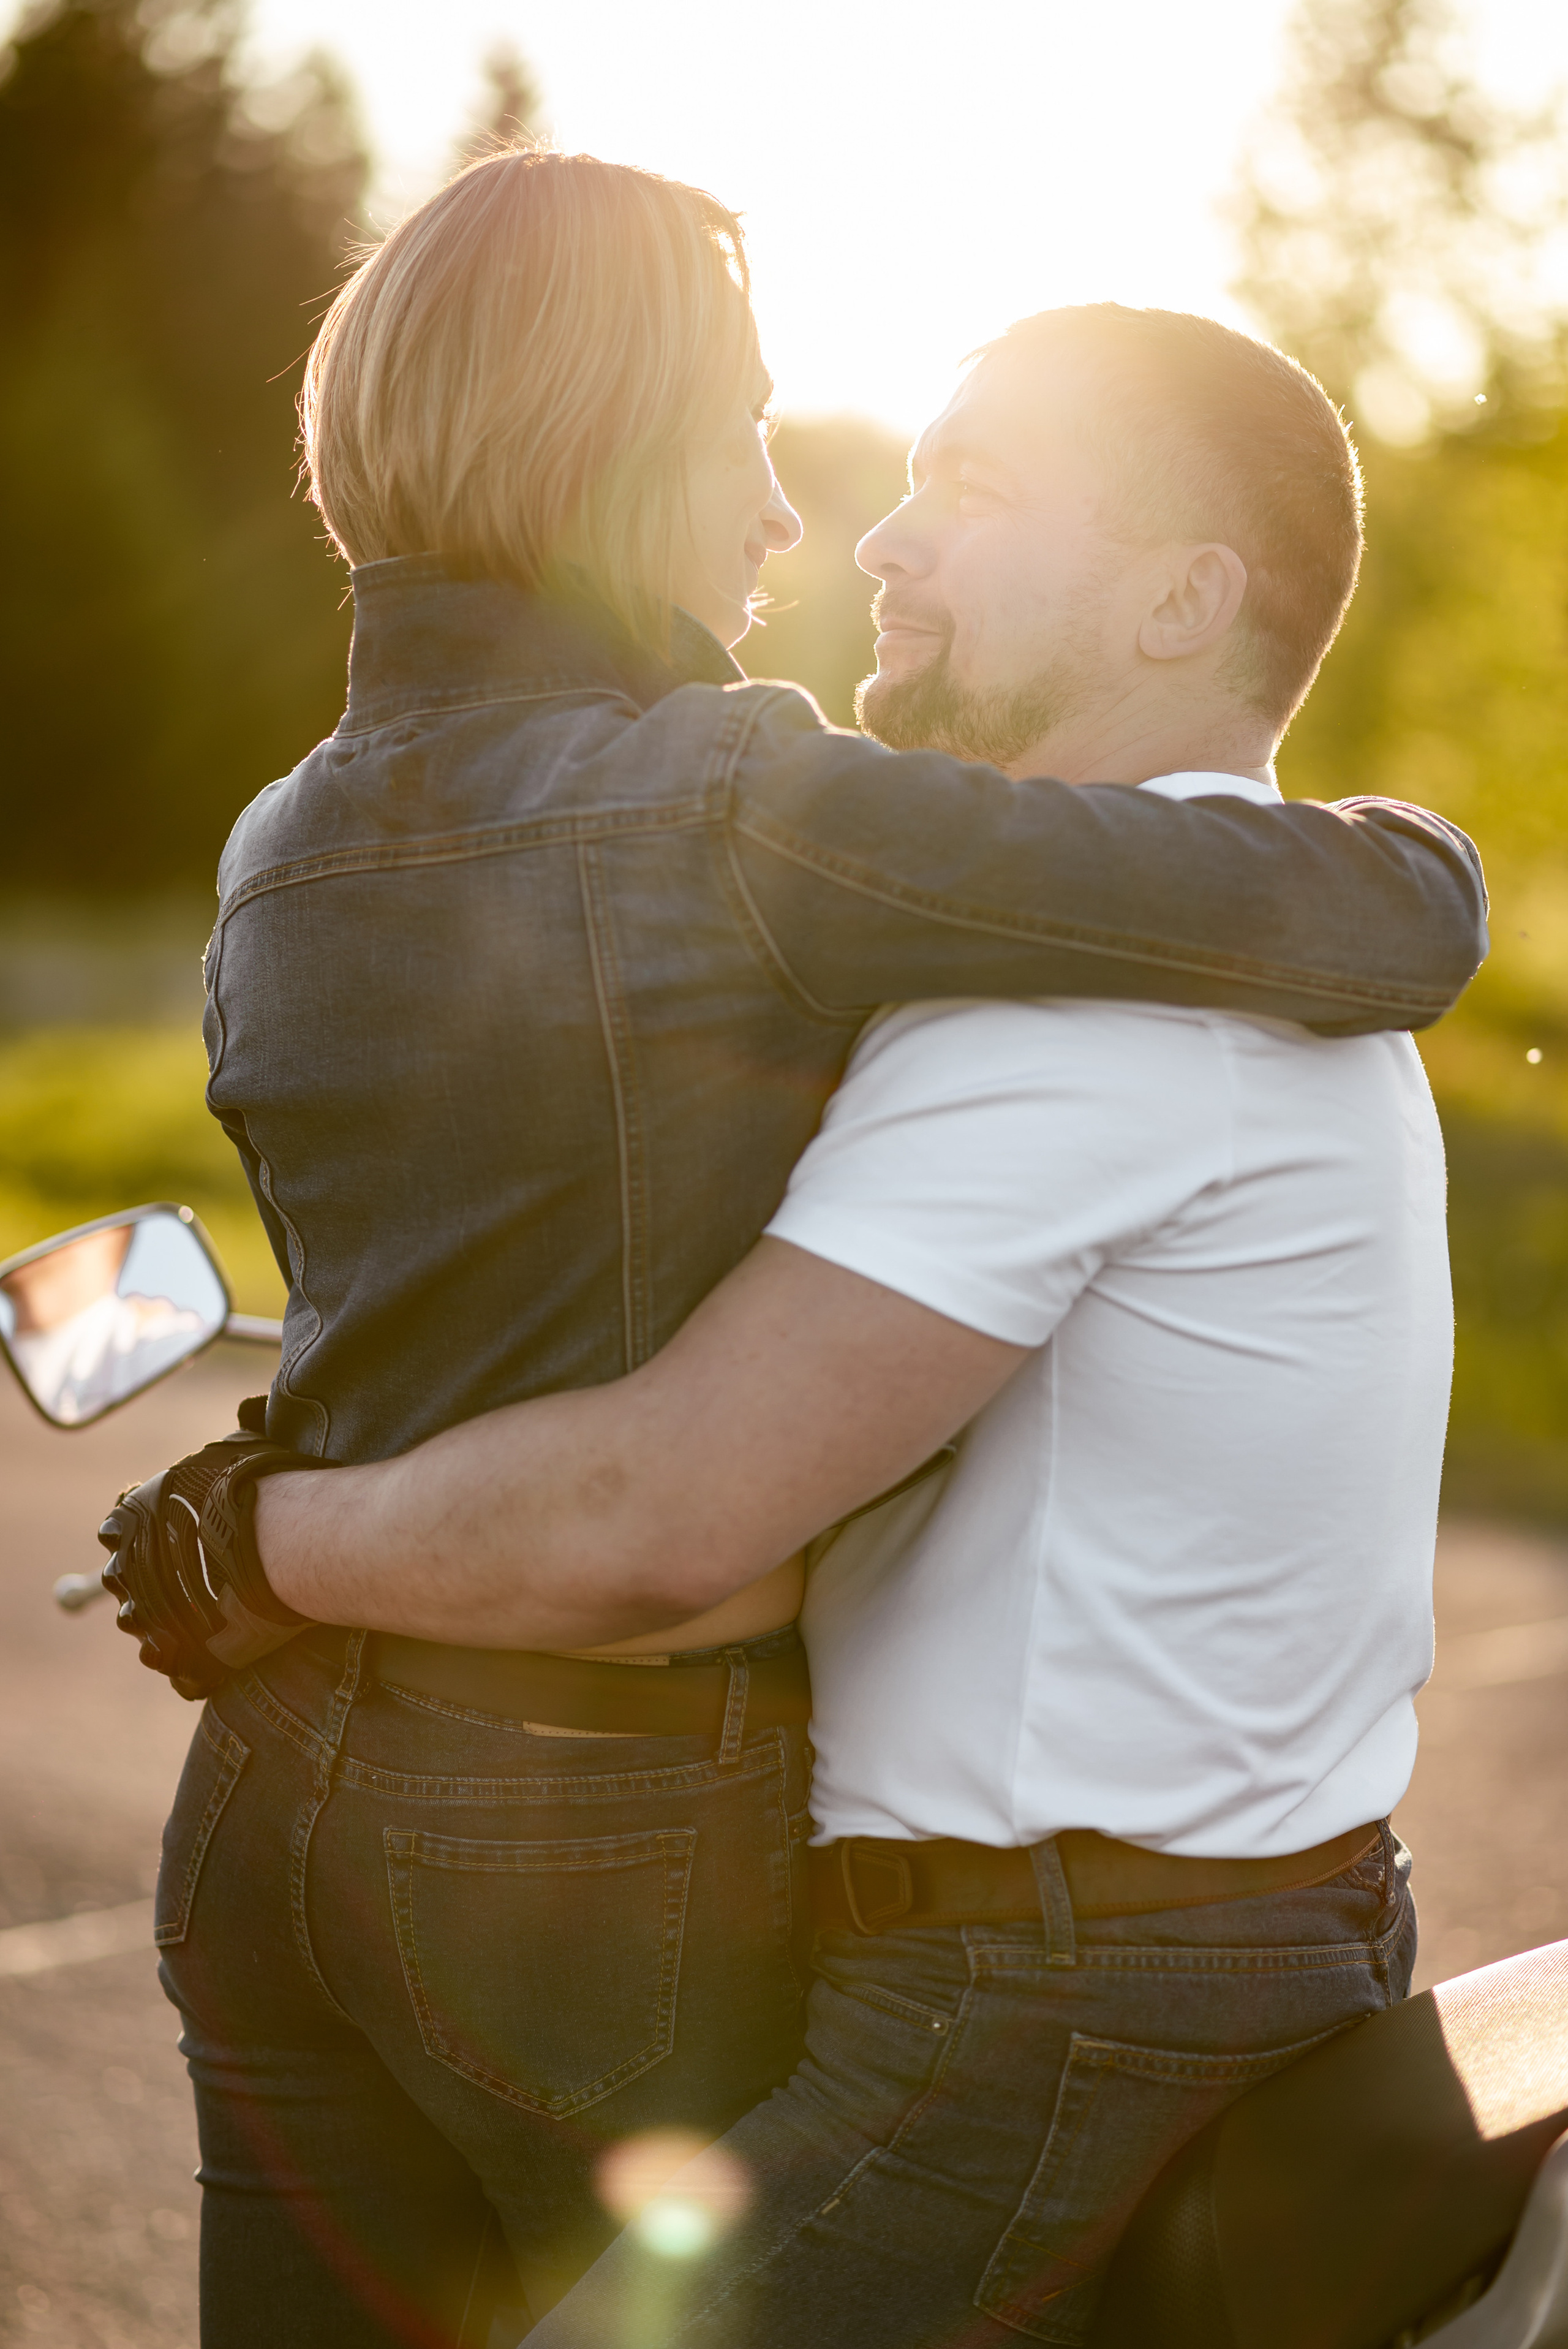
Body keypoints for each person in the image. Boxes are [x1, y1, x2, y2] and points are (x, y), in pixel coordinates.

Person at [101, 149, 1483, 2349]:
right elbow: (1322, 912)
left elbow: (632, 1447)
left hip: (263, 1812)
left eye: (966, 482)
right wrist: (1418, 870)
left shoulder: (283, 841)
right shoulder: (749, 810)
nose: (817, 527)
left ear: (1173, 593)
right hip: (584, 1824)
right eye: (759, 439)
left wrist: (251, 1531)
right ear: (621, 456)